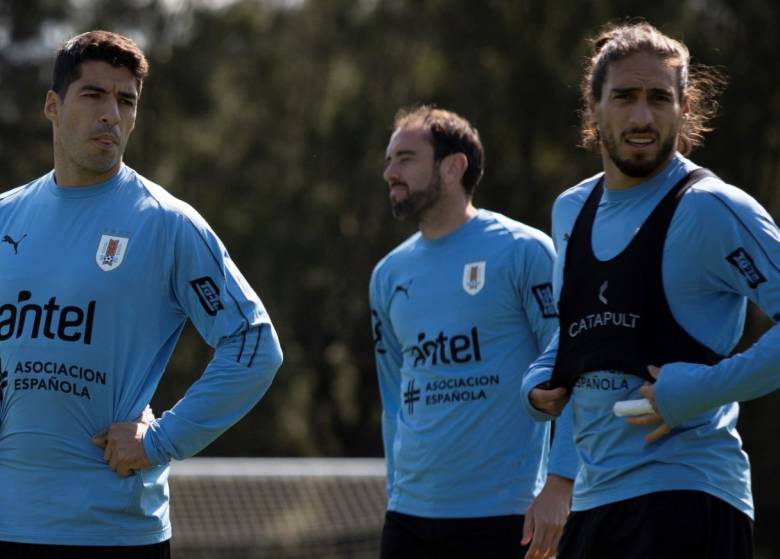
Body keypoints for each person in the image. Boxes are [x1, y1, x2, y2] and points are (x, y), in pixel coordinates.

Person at [0, 30, 283, 558]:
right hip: (10, 522)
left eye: (125, 100)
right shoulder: (5, 217)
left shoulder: (167, 223)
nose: (111, 113)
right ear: (53, 106)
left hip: (112, 531)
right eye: (94, 95)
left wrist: (160, 442)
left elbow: (254, 345)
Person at [521, 21, 780, 559]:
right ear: (594, 108)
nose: (642, 117)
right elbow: (585, 329)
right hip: (594, 505)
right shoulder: (570, 210)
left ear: (686, 109)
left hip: (689, 497)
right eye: (625, 98)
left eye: (659, 98)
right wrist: (542, 376)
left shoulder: (711, 207)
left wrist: (701, 389)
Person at [370, 106, 578, 559]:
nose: (389, 172)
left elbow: (575, 365)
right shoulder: (388, 275)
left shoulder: (523, 251)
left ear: (453, 166)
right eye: (389, 160)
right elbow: (392, 397)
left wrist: (561, 484)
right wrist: (395, 490)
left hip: (506, 517)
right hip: (408, 520)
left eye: (405, 158)